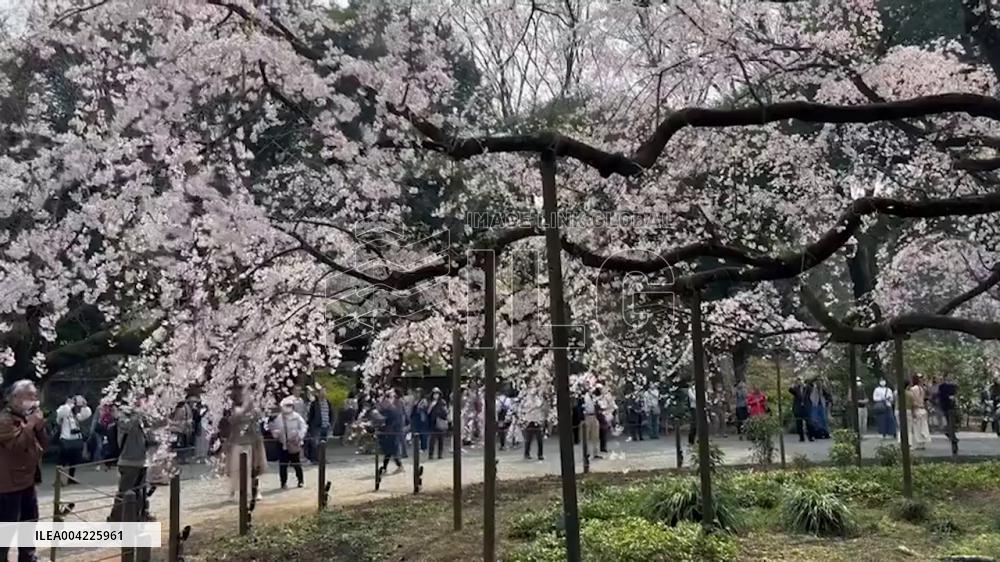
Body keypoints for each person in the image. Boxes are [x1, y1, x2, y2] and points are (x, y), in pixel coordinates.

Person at [0, 380, 48, 562]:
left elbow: (44, 446)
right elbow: (17, 446)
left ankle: (28, 558)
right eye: (30, 395)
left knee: (29, 523)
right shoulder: (4, 420)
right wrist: (30, 425)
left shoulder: (26, 418)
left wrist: (40, 426)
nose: (34, 400)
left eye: (36, 395)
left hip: (27, 482)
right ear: (15, 398)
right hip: (7, 487)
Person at [109, 398, 154, 521]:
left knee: (140, 493)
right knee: (124, 493)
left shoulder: (140, 419)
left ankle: (140, 515)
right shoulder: (123, 419)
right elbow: (128, 425)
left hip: (142, 461)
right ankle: (115, 518)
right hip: (128, 461)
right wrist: (139, 413)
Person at [220, 391, 267, 502]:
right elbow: (233, 420)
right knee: (236, 470)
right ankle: (234, 492)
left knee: (253, 469)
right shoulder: (236, 411)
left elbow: (257, 427)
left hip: (251, 443)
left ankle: (255, 491)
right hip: (238, 443)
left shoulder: (254, 412)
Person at [270, 396, 307, 489]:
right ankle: (283, 483)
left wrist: (299, 436)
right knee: (283, 465)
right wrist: (275, 433)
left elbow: (303, 427)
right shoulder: (279, 418)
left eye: (290, 405)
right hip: (283, 444)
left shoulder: (297, 416)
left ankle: (300, 480)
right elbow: (274, 429)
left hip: (294, 443)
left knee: (296, 464)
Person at [56, 395, 92, 484]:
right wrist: (68, 405)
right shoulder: (63, 410)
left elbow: (85, 416)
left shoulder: (75, 413)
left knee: (74, 461)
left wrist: (84, 406)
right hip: (65, 438)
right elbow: (61, 414)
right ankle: (59, 479)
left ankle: (71, 478)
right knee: (62, 461)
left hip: (75, 439)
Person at [377, 394, 405, 476]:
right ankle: (386, 467)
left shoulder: (393, 409)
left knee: (392, 451)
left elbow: (394, 421)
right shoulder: (389, 409)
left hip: (393, 433)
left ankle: (398, 466)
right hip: (390, 433)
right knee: (389, 452)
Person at [307, 385, 333, 459]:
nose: (323, 394)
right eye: (322, 392)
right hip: (317, 426)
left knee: (324, 444)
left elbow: (330, 413)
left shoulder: (328, 402)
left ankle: (322, 458)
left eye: (324, 392)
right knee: (316, 443)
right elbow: (311, 415)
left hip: (326, 425)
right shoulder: (314, 403)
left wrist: (330, 423)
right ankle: (315, 458)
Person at [88, 399, 116, 471]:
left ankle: (108, 463)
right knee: (99, 446)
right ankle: (98, 463)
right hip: (99, 430)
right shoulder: (99, 409)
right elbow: (95, 419)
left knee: (107, 447)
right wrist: (92, 430)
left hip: (108, 430)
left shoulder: (111, 409)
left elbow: (114, 418)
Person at [906, 375, 932, 450]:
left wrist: (913, 411)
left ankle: (918, 443)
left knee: (917, 428)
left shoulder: (913, 389)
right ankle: (922, 444)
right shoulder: (922, 388)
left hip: (917, 409)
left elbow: (913, 401)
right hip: (922, 409)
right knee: (923, 427)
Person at [520, 391, 546, 460]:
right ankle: (526, 453)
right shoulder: (526, 400)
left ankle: (540, 454)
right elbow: (524, 408)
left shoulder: (538, 399)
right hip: (529, 421)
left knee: (540, 440)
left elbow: (541, 406)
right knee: (528, 439)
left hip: (537, 421)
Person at [938, 372, 959, 451]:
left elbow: (954, 394)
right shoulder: (942, 386)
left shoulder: (953, 386)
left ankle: (951, 434)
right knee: (950, 422)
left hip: (951, 407)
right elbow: (941, 397)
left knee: (951, 422)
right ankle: (952, 437)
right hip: (946, 406)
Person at [427, 388, 449, 459]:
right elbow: (428, 412)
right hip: (433, 423)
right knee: (432, 440)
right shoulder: (431, 402)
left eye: (437, 394)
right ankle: (431, 454)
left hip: (440, 422)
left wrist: (440, 413)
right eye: (434, 394)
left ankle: (440, 454)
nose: (435, 395)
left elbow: (445, 412)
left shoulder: (442, 402)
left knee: (441, 440)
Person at [582, 388, 601, 459]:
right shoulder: (585, 397)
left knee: (595, 435)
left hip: (594, 416)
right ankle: (586, 453)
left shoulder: (594, 397)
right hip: (587, 416)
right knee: (586, 436)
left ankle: (595, 453)